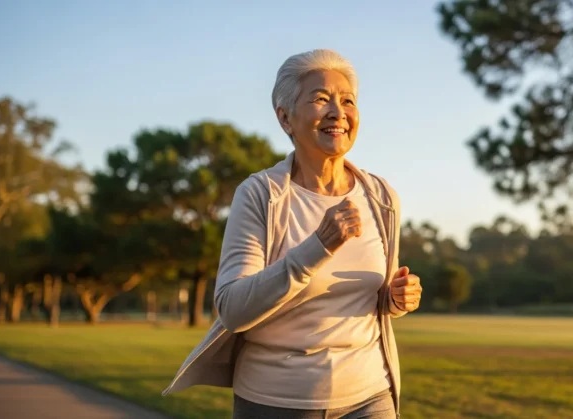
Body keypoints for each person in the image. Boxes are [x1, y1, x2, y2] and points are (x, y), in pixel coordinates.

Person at [162, 49, 423, 419]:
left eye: (347, 100)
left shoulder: (380, 196)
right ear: (285, 117)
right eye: (320, 99)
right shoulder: (259, 194)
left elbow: (378, 301)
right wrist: (318, 246)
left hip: (369, 395)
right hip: (277, 401)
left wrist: (397, 299)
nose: (338, 112)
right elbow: (233, 309)